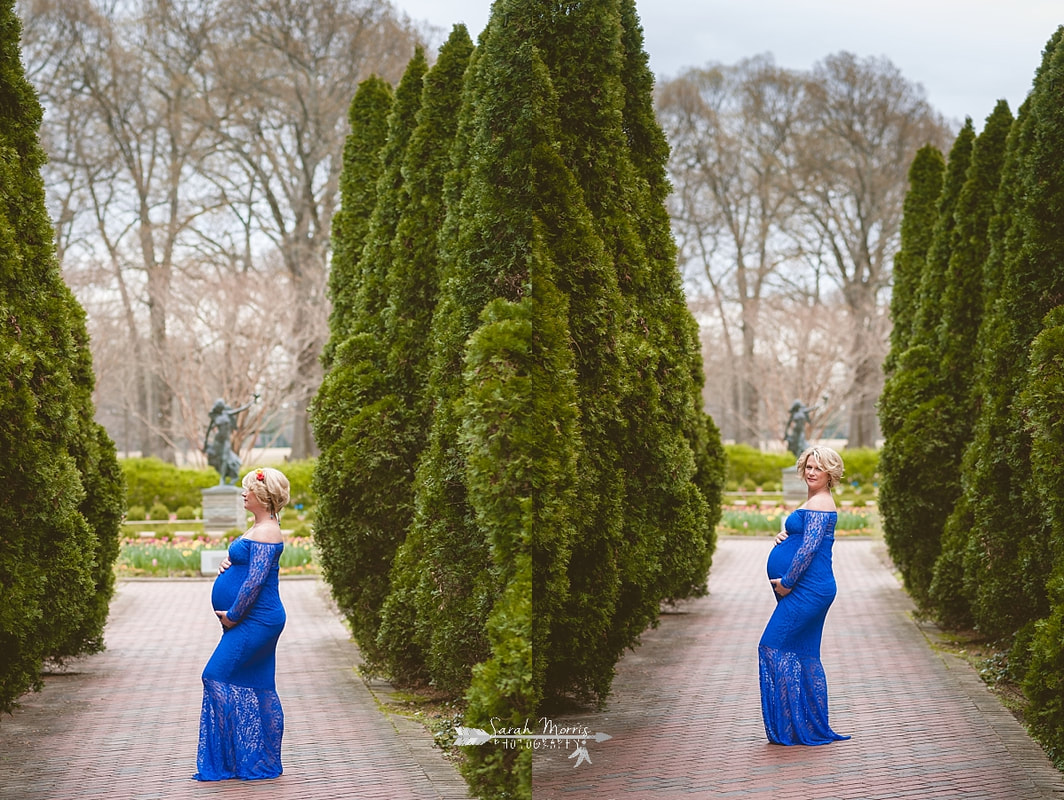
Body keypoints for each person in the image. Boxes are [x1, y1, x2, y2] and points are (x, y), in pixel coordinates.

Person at [192, 466, 290, 781]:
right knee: (259, 685)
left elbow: (255, 584)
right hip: (255, 619)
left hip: (256, 620)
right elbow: (248, 565)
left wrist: (233, 616)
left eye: (248, 489)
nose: (244, 493)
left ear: (263, 496)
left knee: (215, 676)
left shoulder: (267, 531)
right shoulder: (260, 526)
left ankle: (244, 756)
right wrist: (230, 561)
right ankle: (253, 757)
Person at [759, 445, 850, 746]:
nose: (811, 472)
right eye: (808, 467)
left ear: (830, 474)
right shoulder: (816, 500)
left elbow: (810, 549)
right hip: (813, 588)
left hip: (808, 589)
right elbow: (807, 538)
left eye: (818, 468)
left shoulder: (822, 502)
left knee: (771, 646)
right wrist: (786, 537)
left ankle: (793, 724)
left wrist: (786, 582)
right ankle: (807, 725)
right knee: (804, 654)